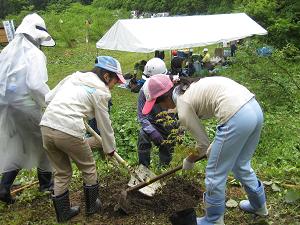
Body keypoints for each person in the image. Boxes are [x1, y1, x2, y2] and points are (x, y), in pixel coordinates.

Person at [142, 74, 268, 224]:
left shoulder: (183, 104)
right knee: (240, 164)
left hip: (236, 116)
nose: (160, 107)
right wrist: (214, 146)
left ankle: (213, 220)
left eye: (157, 103)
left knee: (214, 174)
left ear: (164, 98)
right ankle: (259, 206)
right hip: (253, 109)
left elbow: (202, 145)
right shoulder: (189, 88)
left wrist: (189, 160)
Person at [40, 56, 126, 222]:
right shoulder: (101, 91)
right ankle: (92, 206)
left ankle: (63, 214)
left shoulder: (74, 77)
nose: (114, 86)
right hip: (68, 129)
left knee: (62, 172)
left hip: (46, 126)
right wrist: (110, 149)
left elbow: (48, 98)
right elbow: (104, 124)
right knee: (88, 167)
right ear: (107, 76)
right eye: (115, 81)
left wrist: (76, 108)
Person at [0, 13, 55, 204]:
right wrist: (51, 101)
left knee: (18, 145)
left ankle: (4, 187)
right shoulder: (35, 54)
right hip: (26, 107)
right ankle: (46, 185)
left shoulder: (7, 51)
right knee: (46, 143)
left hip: (6, 107)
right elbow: (35, 85)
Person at [137, 58, 179, 167]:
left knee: (168, 150)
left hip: (169, 124)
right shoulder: (144, 90)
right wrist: (152, 131)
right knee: (143, 135)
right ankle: (144, 169)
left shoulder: (174, 87)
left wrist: (180, 128)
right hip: (153, 124)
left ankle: (164, 170)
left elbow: (181, 112)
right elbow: (142, 117)